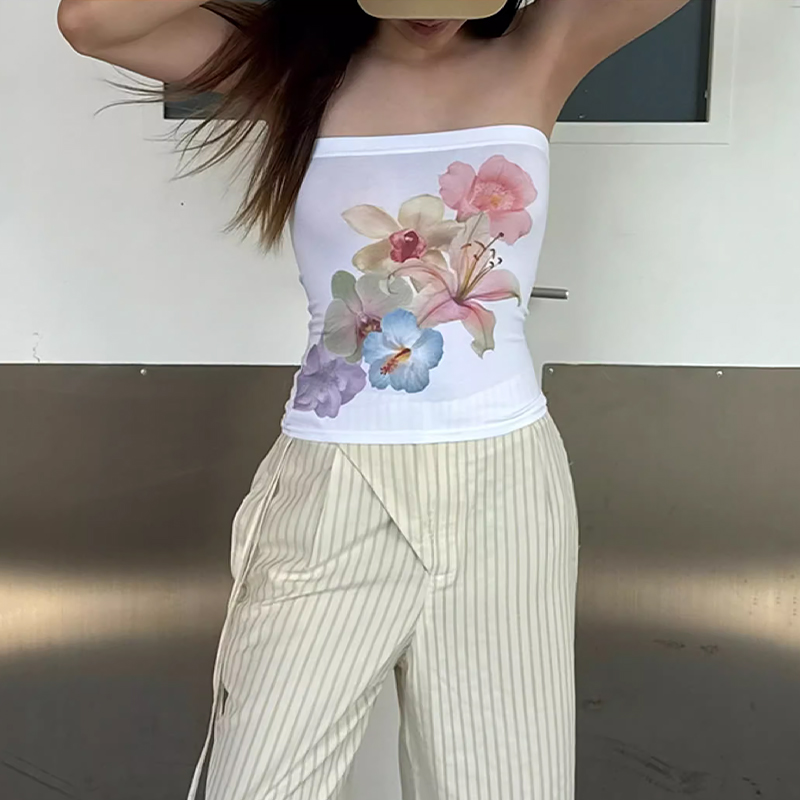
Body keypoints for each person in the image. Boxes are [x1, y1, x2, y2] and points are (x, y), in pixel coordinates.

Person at [57, 1, 691, 798]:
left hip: (505, 490)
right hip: (332, 486)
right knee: (259, 779)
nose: (429, 13)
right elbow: (91, 21)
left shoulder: (542, 51)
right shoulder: (297, 74)